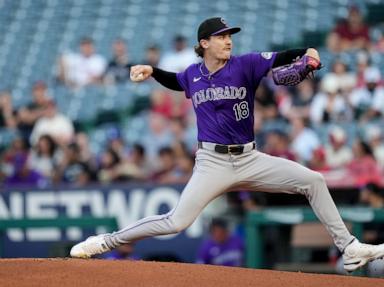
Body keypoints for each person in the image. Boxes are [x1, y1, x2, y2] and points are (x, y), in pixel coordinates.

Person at [70, 17, 384, 272]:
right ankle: (108, 241)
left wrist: (311, 51)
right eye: (221, 36)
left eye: (229, 35)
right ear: (204, 43)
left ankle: (350, 248)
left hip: (251, 158)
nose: (228, 40)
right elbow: (175, 80)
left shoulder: (245, 64)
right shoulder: (192, 75)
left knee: (313, 180)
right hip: (213, 163)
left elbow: (286, 56)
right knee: (176, 221)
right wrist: (152, 71)